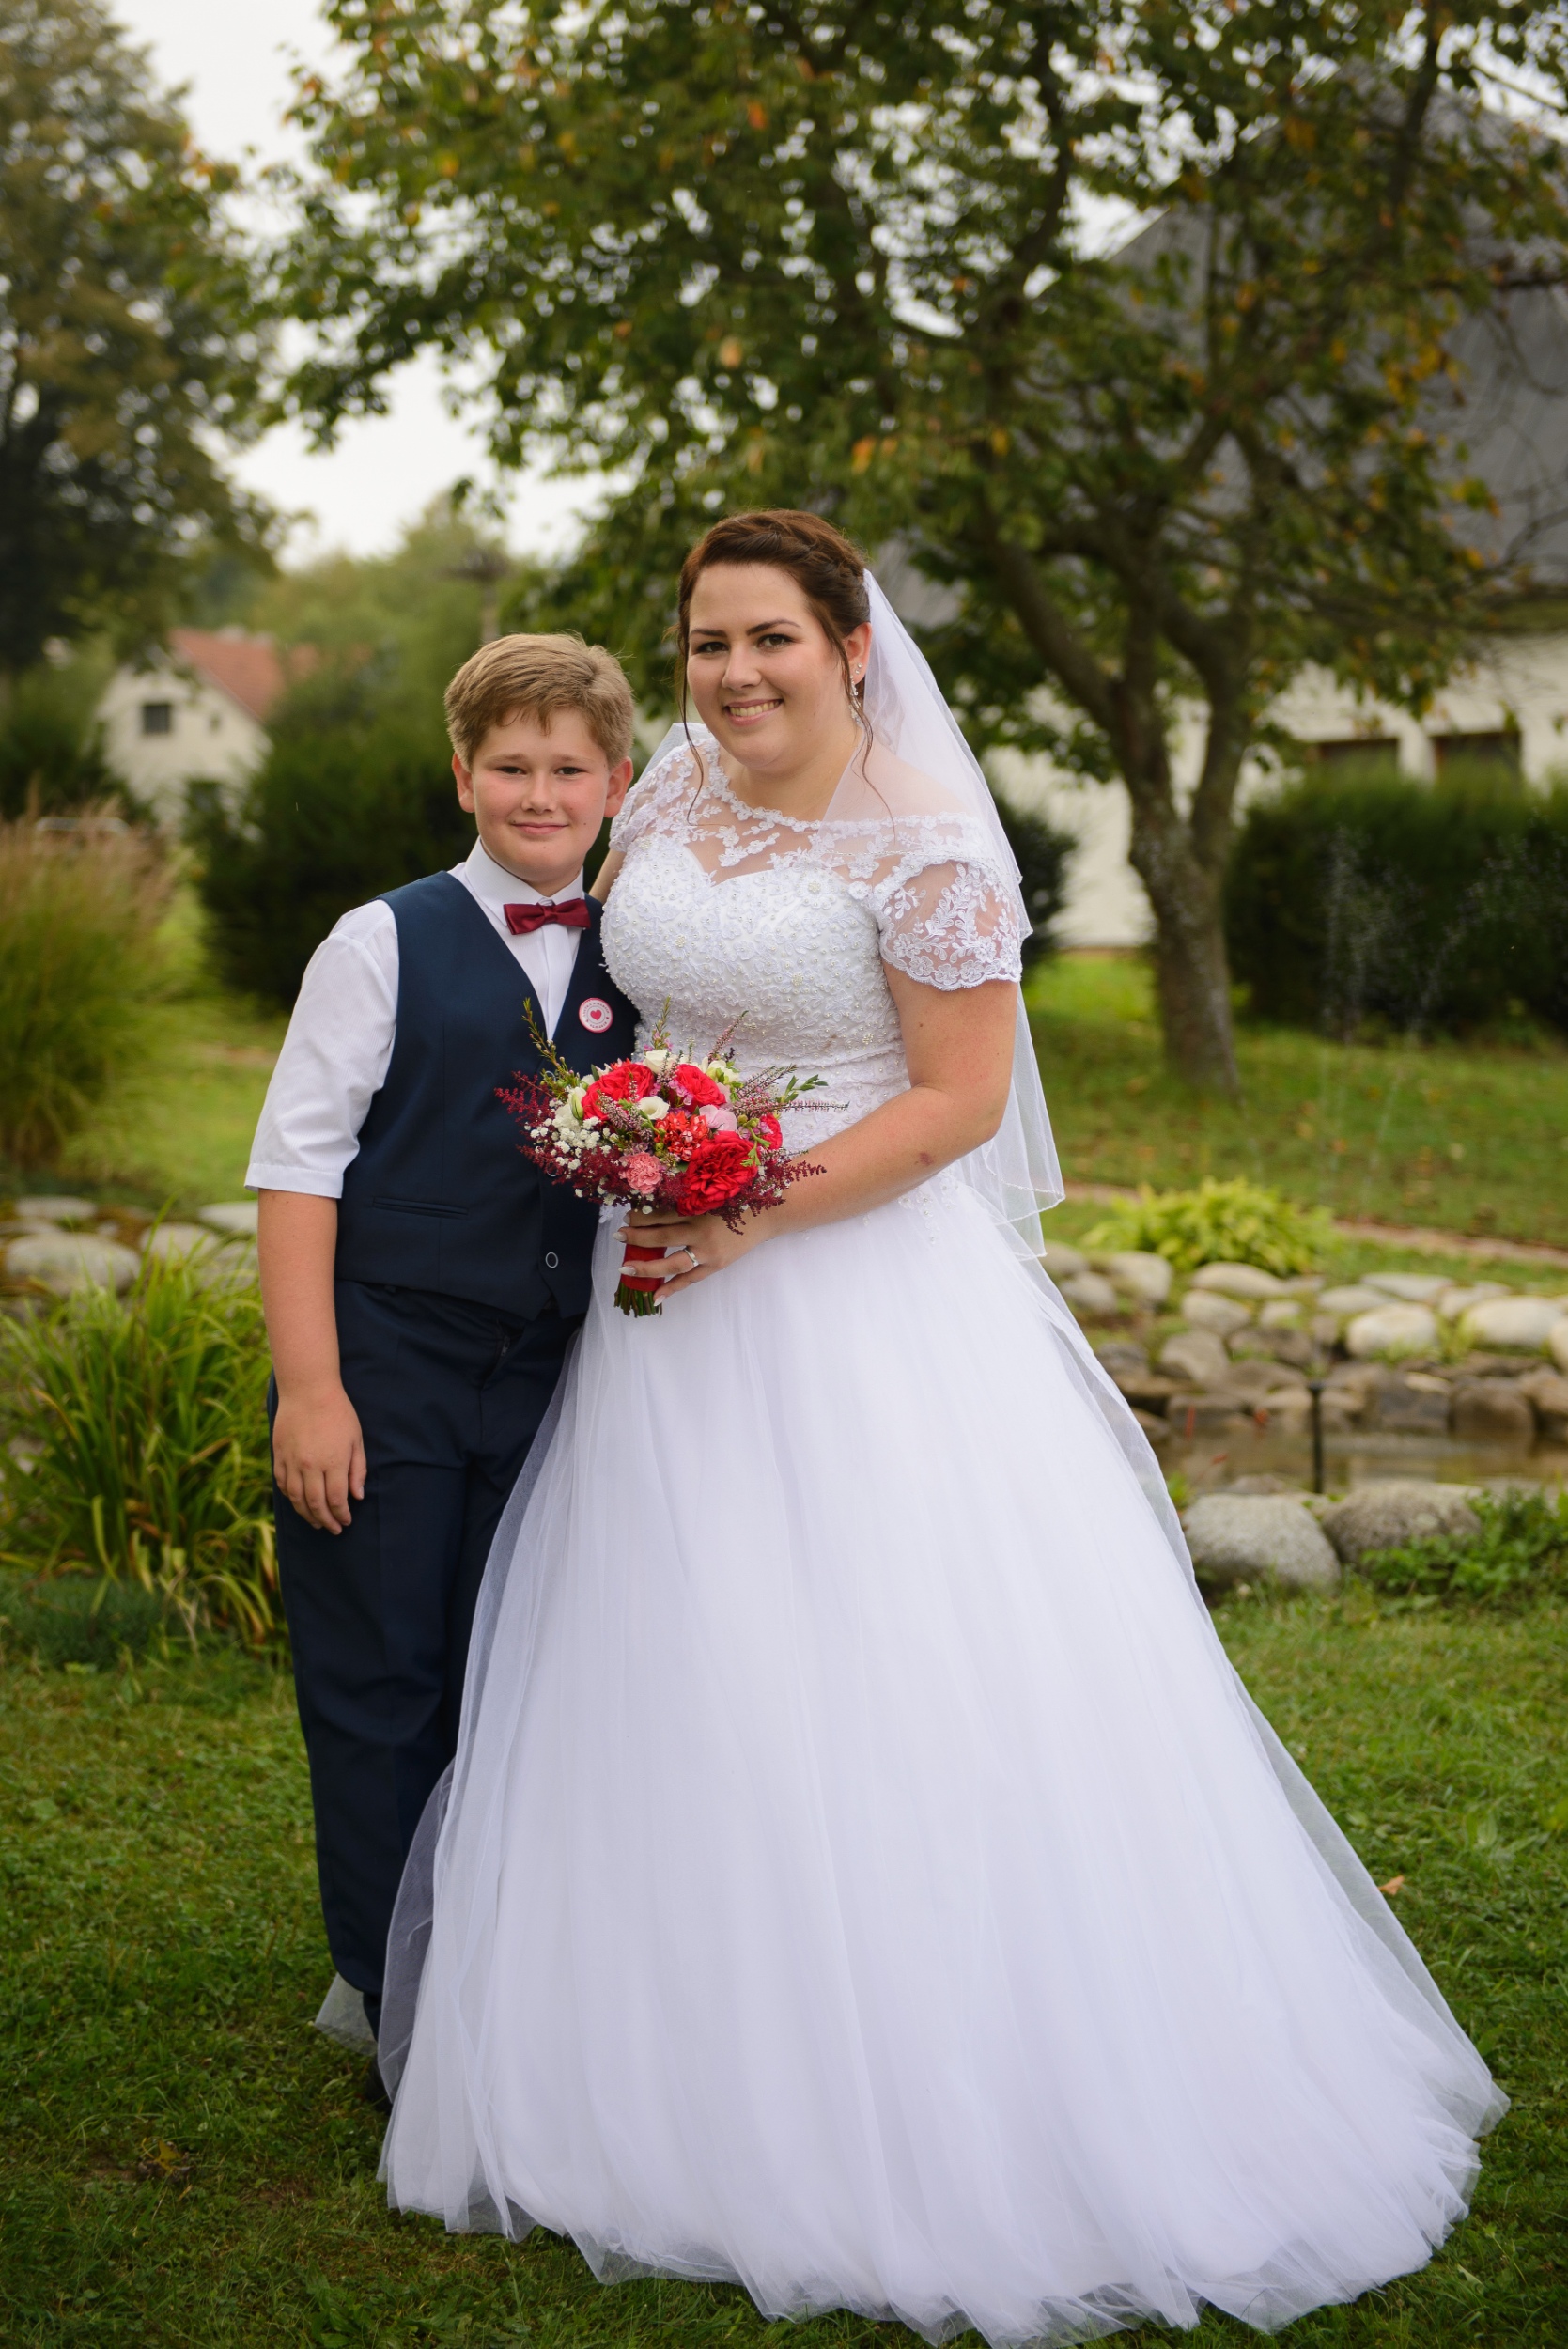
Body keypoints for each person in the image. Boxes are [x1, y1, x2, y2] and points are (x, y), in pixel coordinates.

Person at [379, 515, 1501, 2343]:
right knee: (678, 1645)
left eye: (769, 639)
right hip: (660, 1303)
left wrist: (752, 1202)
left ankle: (930, 2074)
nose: (735, 673)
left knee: (880, 1660)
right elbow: (624, 990)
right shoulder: (669, 789)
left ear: (848, 644)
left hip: (849, 1298)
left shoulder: (926, 837)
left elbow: (962, 1100)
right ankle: (664, 2049)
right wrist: (636, 1142)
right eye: (707, 642)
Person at [248, 633, 640, 2084]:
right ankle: (389, 2002)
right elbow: (298, 1169)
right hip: (385, 1366)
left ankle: (495, 1967)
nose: (540, 793)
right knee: (381, 1679)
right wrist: (313, 1390)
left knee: (513, 1677)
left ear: (615, 782)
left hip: (554, 1376)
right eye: (510, 766)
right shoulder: (380, 940)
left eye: (568, 768)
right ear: (462, 773)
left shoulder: (643, 953)